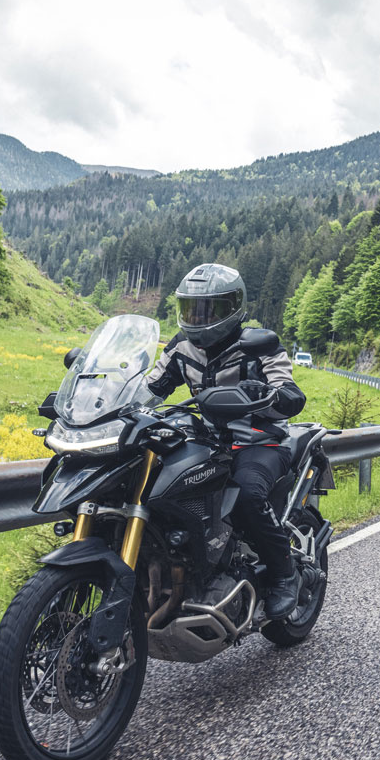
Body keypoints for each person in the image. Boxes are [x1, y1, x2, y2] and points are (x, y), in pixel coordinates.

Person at [147, 263, 307, 620]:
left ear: (233, 307)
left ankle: (285, 575)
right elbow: (150, 389)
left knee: (247, 494)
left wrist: (265, 395)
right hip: (206, 443)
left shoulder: (260, 345)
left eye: (209, 310)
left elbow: (291, 394)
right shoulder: (181, 347)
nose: (198, 318)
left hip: (259, 442)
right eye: (191, 309)